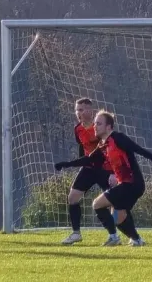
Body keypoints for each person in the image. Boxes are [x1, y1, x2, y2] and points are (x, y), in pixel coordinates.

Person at [55, 110, 152, 246]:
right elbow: (88, 160)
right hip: (129, 185)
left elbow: (137, 148)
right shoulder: (103, 144)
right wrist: (66, 164)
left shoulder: (118, 138)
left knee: (97, 204)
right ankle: (137, 240)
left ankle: (114, 238)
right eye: (95, 123)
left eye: (99, 123)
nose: (95, 126)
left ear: (108, 127)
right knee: (118, 218)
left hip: (132, 184)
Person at [60, 98, 116, 245]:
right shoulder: (77, 129)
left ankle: (116, 235)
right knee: (72, 198)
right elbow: (82, 147)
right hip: (88, 168)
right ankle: (76, 233)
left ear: (90, 111)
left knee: (114, 202)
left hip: (104, 168)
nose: (78, 113)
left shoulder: (100, 127)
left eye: (82, 109)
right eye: (77, 110)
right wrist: (81, 162)